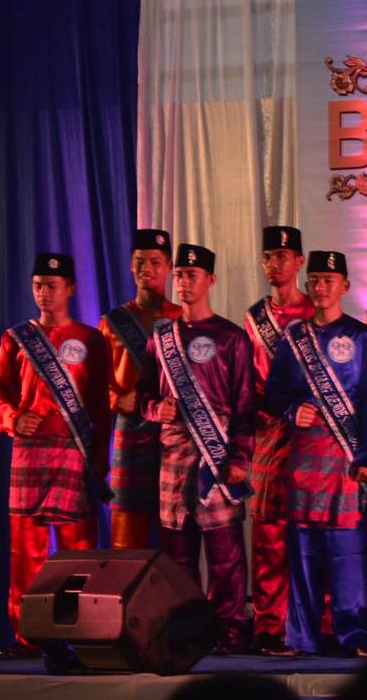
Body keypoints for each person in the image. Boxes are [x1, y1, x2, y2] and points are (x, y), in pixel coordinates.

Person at [0, 252, 112, 658]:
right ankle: (28, 637)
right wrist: (12, 417)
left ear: (70, 288)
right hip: (29, 452)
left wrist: (100, 457)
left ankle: (82, 632)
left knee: (79, 551)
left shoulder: (91, 339)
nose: (44, 292)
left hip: (75, 451)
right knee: (25, 551)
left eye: (52, 286)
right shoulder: (17, 337)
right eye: (38, 285)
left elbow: (101, 404)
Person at [137, 243, 256, 654]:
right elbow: (142, 394)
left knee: (225, 554)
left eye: (192, 275)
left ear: (211, 280)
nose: (184, 282)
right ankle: (186, 635)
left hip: (216, 456)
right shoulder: (161, 337)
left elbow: (246, 406)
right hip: (173, 455)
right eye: (180, 275)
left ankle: (229, 633)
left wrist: (240, 458)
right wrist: (157, 409)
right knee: (177, 555)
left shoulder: (232, 337)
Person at [265, 250, 367, 656]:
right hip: (304, 458)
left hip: (345, 457)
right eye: (314, 280)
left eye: (328, 280)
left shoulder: (361, 336)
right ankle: (302, 637)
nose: (320, 287)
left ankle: (355, 634)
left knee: (348, 549)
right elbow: (272, 392)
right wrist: (290, 410)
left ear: (344, 286)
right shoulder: (294, 337)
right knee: (303, 550)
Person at [243, 225, 313, 656]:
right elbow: (250, 382)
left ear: (299, 261)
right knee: (268, 531)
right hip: (269, 433)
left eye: (282, 256)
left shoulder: (316, 310)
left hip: (311, 435)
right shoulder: (255, 318)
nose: (274, 264)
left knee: (312, 531)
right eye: (268, 256)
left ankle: (316, 624)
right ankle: (269, 625)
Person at [100, 229, 182, 549]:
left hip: (174, 433)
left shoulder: (182, 318)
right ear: (130, 265)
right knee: (126, 534)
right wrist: (118, 399)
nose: (146, 268)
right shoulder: (113, 321)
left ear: (169, 266)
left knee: (176, 532)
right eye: (139, 262)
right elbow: (93, 383)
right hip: (131, 432)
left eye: (155, 262)